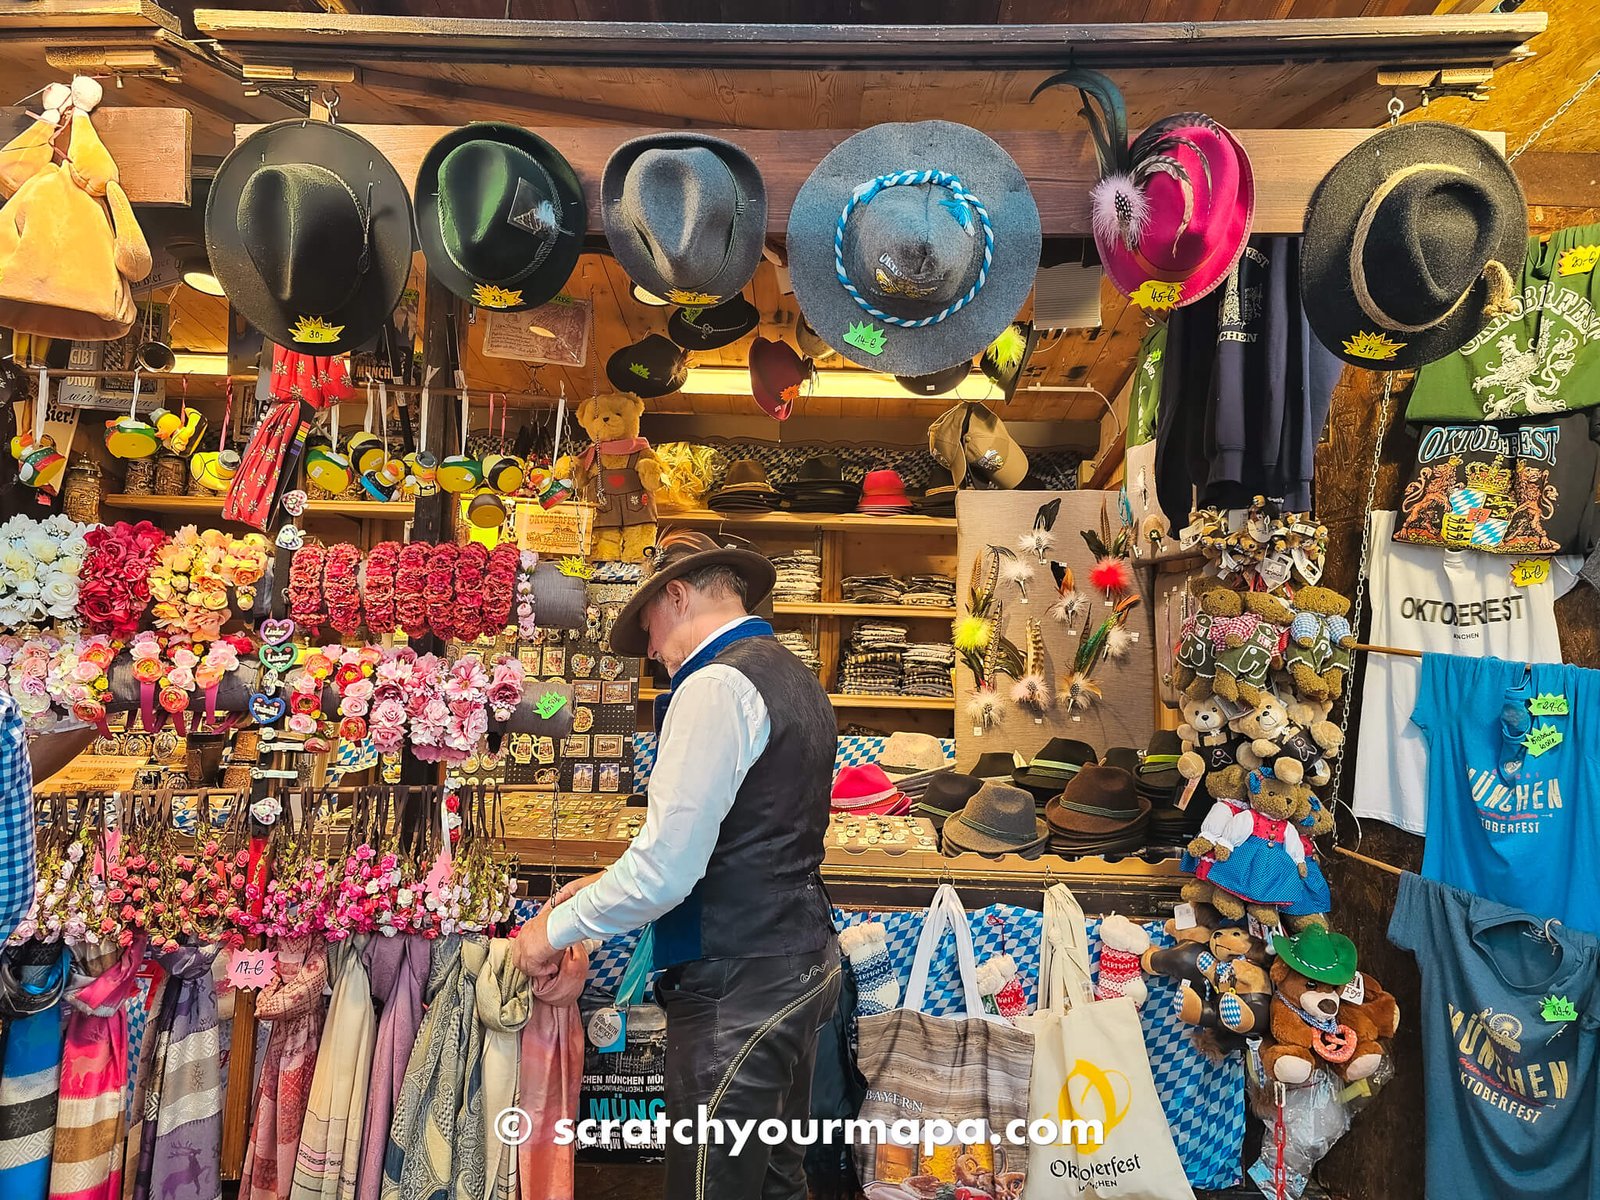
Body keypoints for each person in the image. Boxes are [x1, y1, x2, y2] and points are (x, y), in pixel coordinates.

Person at [513, 528, 841, 1199]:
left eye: (651, 631)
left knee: (711, 1186)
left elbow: (667, 870)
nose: (654, 654)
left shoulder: (715, 684)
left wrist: (548, 931)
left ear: (679, 595)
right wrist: (600, 888)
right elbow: (745, 837)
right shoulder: (787, 671)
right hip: (795, 961)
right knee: (776, 1180)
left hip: (739, 988)